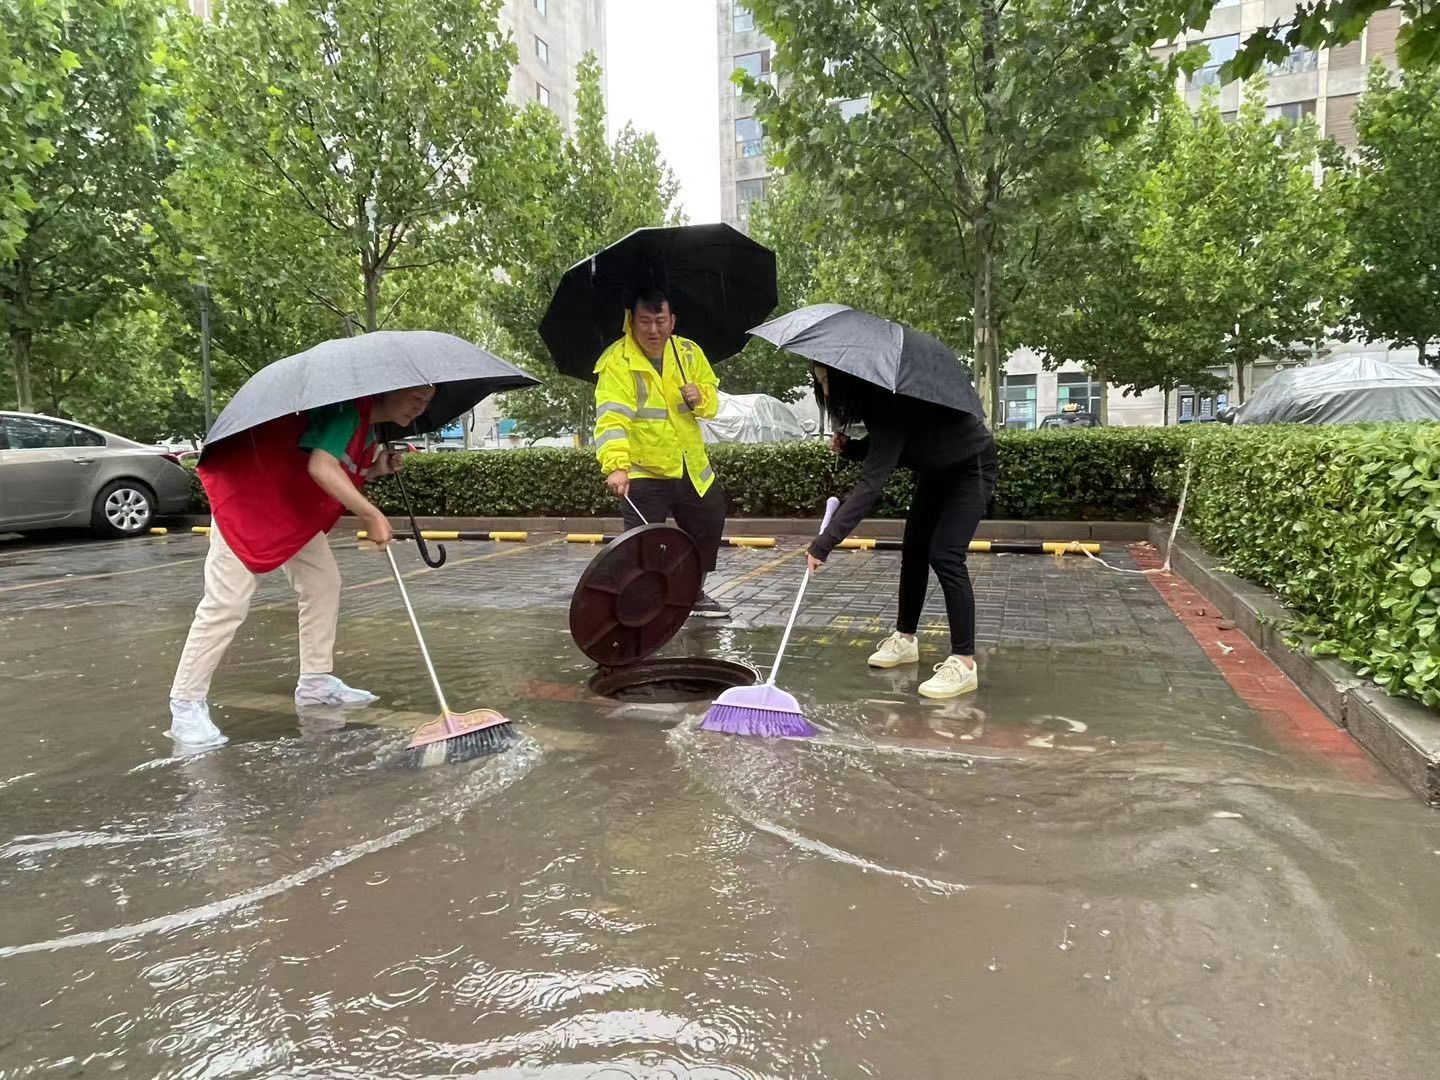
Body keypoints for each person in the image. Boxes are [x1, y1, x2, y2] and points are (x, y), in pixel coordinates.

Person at [166, 385, 435, 749]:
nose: (421, 406)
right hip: (250, 505)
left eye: (427, 401)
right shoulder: (347, 411)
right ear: (389, 390)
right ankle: (185, 705)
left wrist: (374, 469)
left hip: (291, 510)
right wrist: (371, 515)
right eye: (416, 397)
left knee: (323, 584)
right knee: (225, 604)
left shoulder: (367, 427)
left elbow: (337, 467)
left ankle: (315, 683)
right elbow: (320, 466)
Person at [806, 364, 996, 699]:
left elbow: (870, 485)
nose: (824, 390)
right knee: (914, 551)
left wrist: (825, 542)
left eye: (826, 380)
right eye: (819, 380)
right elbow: (887, 443)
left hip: (971, 468)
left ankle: (964, 663)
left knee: (945, 555)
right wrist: (850, 448)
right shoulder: (880, 402)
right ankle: (906, 639)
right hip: (936, 473)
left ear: (847, 378)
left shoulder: (887, 402)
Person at [593, 287, 729, 618]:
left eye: (660, 320)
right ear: (631, 321)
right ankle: (640, 604)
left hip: (690, 465)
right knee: (642, 545)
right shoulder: (617, 361)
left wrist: (701, 397)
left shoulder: (688, 353)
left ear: (672, 321)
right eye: (645, 321)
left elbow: (712, 398)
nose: (653, 330)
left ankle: (693, 592)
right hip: (643, 469)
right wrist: (616, 466)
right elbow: (611, 419)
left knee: (709, 522)